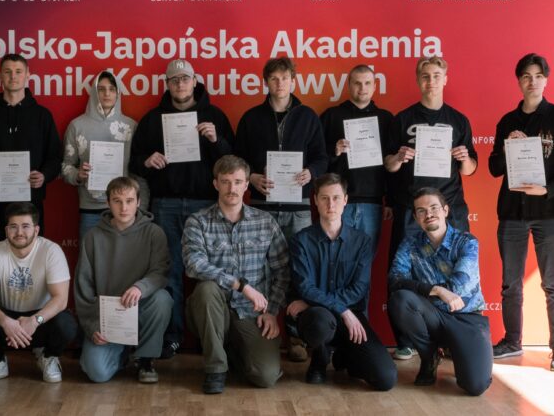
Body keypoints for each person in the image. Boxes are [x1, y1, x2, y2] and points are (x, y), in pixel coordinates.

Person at [131, 58, 234, 358]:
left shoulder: (214, 116)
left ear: (195, 81)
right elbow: (134, 162)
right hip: (167, 204)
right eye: (174, 79)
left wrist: (216, 140)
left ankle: (212, 337)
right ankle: (173, 335)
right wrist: (147, 162)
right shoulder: (152, 120)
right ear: (167, 84)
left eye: (185, 78)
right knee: (171, 271)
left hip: (207, 205)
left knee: (212, 273)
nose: (180, 84)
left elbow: (233, 161)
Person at [487, 53, 554, 372]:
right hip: (512, 212)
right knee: (511, 283)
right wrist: (505, 147)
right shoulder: (506, 122)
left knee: (553, 283)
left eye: (538, 76)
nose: (532, 81)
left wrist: (548, 189)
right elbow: (493, 168)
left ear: (546, 80)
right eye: (526, 76)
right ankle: (512, 341)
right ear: (519, 81)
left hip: (548, 210)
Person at [383, 55, 477, 360]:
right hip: (412, 210)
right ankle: (408, 339)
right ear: (418, 80)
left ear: (445, 79)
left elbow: (470, 169)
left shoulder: (459, 120)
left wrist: (464, 158)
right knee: (403, 272)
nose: (431, 81)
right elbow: (388, 165)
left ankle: (454, 335)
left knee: (458, 271)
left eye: (437, 75)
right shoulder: (403, 118)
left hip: (450, 207)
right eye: (425, 76)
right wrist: (399, 158)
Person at [183, 155, 289, 394]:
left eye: (238, 181)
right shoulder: (198, 222)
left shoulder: (265, 222)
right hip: (211, 308)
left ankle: (233, 351)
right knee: (207, 289)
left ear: (246, 185)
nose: (232, 188)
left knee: (266, 376)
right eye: (226, 181)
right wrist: (240, 285)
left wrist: (272, 311)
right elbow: (194, 264)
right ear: (216, 184)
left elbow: (282, 270)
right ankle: (216, 369)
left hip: (251, 314)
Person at [287, 173, 396, 390]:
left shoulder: (361, 241)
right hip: (319, 318)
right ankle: (319, 360)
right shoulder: (301, 241)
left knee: (385, 378)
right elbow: (304, 286)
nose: (330, 204)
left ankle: (345, 356)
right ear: (315, 200)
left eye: (336, 198)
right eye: (324, 198)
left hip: (350, 318)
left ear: (346, 200)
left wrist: (318, 303)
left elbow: (358, 289)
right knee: (318, 320)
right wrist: (342, 310)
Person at [387, 187, 492, 396]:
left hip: (465, 318)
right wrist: (434, 289)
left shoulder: (467, 242)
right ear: (416, 217)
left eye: (434, 208)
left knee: (475, 386)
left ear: (445, 210)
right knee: (401, 300)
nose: (429, 214)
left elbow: (458, 287)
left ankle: (457, 350)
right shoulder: (410, 244)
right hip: (432, 317)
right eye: (421, 211)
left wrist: (438, 291)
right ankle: (429, 356)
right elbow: (395, 280)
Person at [75, 177, 172, 383]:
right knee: (97, 373)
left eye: (129, 200)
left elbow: (160, 272)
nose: (124, 207)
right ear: (108, 203)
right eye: (117, 201)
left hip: (141, 309)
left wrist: (140, 287)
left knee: (162, 299)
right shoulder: (93, 237)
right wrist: (92, 326)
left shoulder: (154, 233)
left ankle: (145, 359)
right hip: (108, 319)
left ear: (138, 202)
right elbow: (83, 288)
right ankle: (123, 354)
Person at [0, 202, 79, 385]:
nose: (19, 232)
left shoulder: (51, 251)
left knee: (66, 324)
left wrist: (34, 320)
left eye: (25, 226)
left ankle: (48, 357)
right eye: (13, 227)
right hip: (7, 320)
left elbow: (60, 300)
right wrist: (6, 322)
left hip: (40, 318)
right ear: (6, 230)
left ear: (36, 230)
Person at [0, 53, 62, 259]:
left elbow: (55, 157)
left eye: (19, 71)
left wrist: (44, 175)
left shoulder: (42, 115)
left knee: (29, 262)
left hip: (29, 204)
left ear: (28, 75)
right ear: (0, 76)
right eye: (8, 72)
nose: (13, 76)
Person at [235, 56, 328, 239]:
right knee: (260, 264)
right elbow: (238, 158)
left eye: (285, 78)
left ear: (293, 81)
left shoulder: (308, 117)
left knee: (300, 264)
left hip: (298, 209)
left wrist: (311, 172)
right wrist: (251, 177)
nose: (280, 83)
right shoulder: (251, 118)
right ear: (266, 82)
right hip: (261, 206)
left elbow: (322, 158)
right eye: (274, 78)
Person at [319, 64, 394, 251]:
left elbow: (392, 165)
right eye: (357, 83)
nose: (362, 88)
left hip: (373, 203)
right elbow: (316, 158)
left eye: (367, 83)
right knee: (334, 259)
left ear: (375, 86)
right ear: (348, 85)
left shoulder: (386, 119)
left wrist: (390, 201)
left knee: (365, 261)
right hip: (338, 203)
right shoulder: (331, 116)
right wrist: (334, 150)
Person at [62, 70, 142, 236]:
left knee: (123, 261)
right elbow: (66, 166)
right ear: (94, 92)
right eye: (101, 89)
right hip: (90, 208)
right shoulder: (77, 126)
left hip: (124, 210)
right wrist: (78, 175)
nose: (107, 94)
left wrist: (139, 206)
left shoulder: (131, 127)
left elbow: (139, 172)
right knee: (90, 259)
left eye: (112, 89)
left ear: (118, 93)